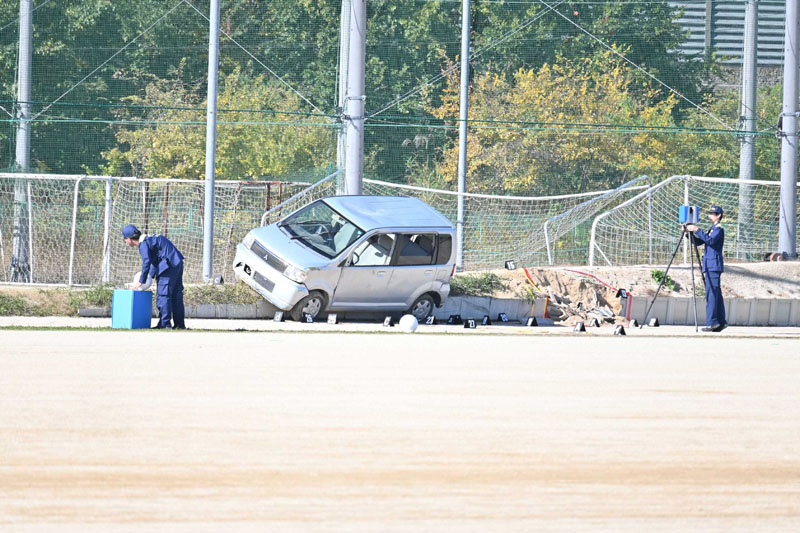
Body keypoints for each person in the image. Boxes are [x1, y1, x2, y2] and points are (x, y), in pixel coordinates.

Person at [122, 224, 186, 330]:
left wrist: (140, 281)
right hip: (177, 262)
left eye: (124, 239)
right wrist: (150, 277)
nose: (125, 242)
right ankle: (179, 325)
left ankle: (165, 324)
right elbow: (154, 261)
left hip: (168, 266)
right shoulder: (149, 239)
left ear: (129, 239)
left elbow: (147, 261)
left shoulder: (143, 244)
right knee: (176, 296)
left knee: (163, 296)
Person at [685, 205, 726, 332]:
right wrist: (688, 234)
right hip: (709, 265)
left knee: (712, 294)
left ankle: (712, 322)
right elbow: (699, 242)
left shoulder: (719, 229)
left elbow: (711, 241)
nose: (710, 215)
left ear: (718, 215)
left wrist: (697, 229)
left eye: (712, 213)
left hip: (713, 266)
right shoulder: (712, 228)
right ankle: (720, 321)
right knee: (715, 294)